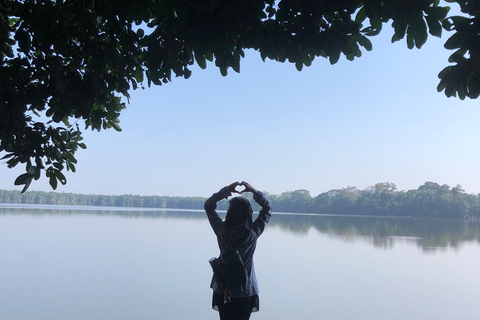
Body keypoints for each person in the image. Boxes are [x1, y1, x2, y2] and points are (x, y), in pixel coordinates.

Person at [204, 181, 272, 320]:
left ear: (229, 213)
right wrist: (254, 191)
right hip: (246, 291)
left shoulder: (222, 231)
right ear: (248, 213)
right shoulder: (252, 233)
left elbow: (209, 206)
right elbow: (267, 208)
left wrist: (225, 191)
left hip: (223, 289)